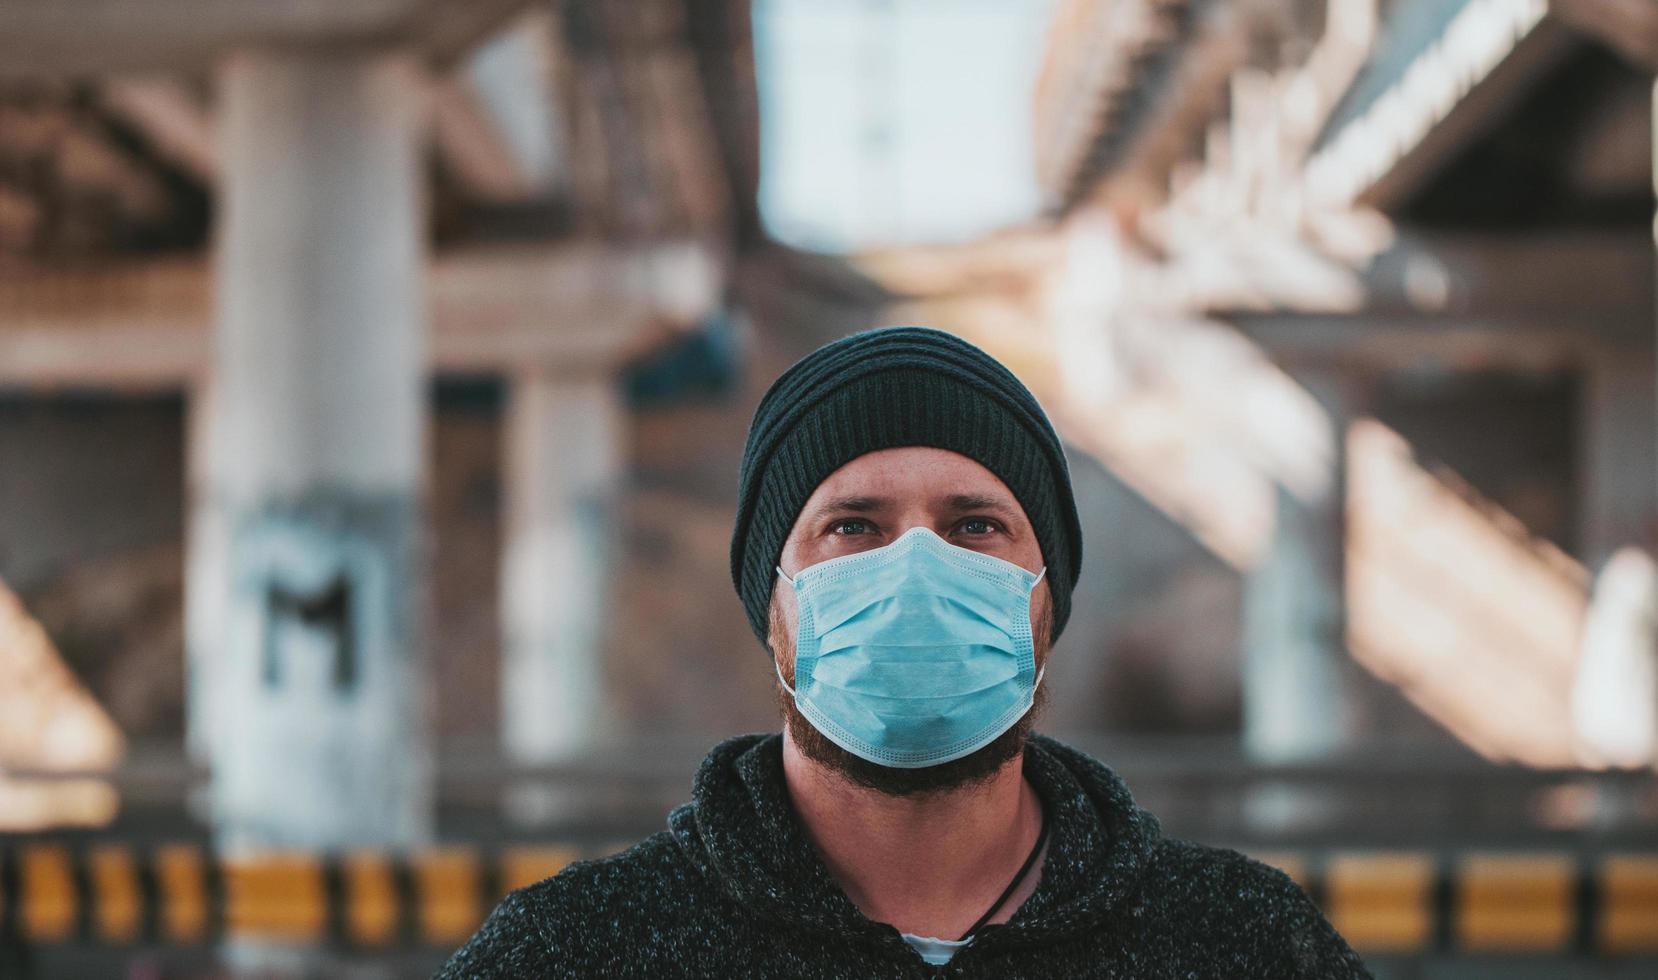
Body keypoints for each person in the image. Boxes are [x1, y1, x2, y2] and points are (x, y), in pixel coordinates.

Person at [437, 327, 1371, 978]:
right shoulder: (576, 953)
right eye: (852, 526)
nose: (916, 567)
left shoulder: (1240, 944)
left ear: (1052, 595)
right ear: (771, 600)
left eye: (975, 524)